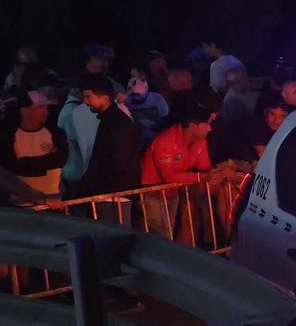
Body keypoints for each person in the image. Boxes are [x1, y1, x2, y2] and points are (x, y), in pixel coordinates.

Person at [142, 96, 222, 242]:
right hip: (152, 194)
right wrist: (200, 177)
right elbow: (169, 177)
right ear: (193, 126)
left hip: (172, 193)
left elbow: (205, 166)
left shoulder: (200, 141)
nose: (210, 128)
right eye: (206, 124)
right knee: (162, 236)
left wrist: (215, 174)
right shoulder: (165, 141)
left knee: (168, 232)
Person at [77, 75, 143, 218]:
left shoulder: (117, 123)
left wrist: (95, 187)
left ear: (105, 98)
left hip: (113, 193)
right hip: (112, 192)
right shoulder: (112, 121)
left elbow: (117, 161)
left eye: (88, 96)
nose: (85, 101)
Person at [1, 89, 69, 196]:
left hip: (54, 197)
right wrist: (47, 160)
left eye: (46, 107)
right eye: (41, 107)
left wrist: (25, 162)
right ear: (25, 110)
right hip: (20, 201)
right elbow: (11, 166)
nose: (46, 111)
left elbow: (60, 160)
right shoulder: (9, 136)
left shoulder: (56, 133)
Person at [125, 69, 170, 150]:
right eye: (134, 95)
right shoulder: (126, 101)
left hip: (155, 134)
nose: (137, 97)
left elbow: (166, 117)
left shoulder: (157, 99)